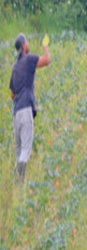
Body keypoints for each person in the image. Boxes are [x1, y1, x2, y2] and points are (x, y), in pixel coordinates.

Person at [9, 33, 50, 182]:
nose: (28, 44)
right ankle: (18, 179)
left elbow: (12, 94)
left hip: (16, 113)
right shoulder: (28, 60)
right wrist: (45, 46)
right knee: (26, 150)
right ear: (24, 47)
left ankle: (18, 185)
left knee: (19, 151)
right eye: (26, 42)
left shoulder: (15, 67)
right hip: (26, 109)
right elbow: (46, 61)